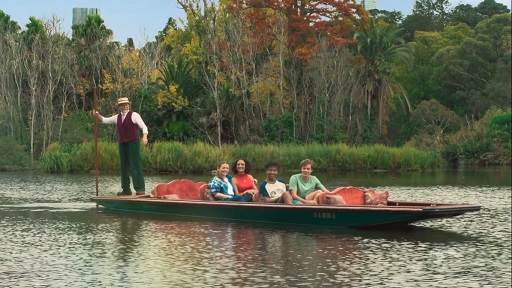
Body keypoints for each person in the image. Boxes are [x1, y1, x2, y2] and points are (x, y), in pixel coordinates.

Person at [93, 97, 148, 196]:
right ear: (119, 107)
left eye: (126, 104)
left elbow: (144, 126)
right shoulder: (117, 117)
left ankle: (140, 189)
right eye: (123, 105)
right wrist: (97, 115)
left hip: (133, 142)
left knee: (135, 164)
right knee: (123, 166)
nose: (125, 106)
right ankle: (126, 189)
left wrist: (144, 137)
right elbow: (104, 120)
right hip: (122, 143)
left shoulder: (134, 115)